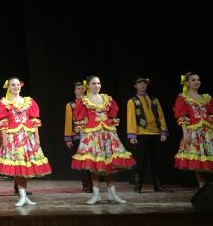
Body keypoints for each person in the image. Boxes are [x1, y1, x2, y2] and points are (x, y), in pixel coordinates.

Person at [72, 76, 135, 204]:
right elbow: (80, 120)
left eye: (99, 83)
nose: (97, 85)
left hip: (107, 134)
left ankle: (112, 194)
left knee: (110, 164)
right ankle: (96, 195)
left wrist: (109, 125)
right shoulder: (84, 101)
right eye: (94, 83)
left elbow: (113, 115)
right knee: (94, 166)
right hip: (92, 135)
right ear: (88, 86)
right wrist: (83, 139)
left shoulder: (107, 99)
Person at [0, 78, 51, 207]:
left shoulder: (28, 102)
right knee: (18, 167)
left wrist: (37, 138)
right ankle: (22, 195)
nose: (16, 87)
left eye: (17, 85)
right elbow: (3, 123)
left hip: (27, 137)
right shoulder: (4, 103)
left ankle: (25, 196)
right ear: (8, 87)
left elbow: (34, 121)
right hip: (13, 138)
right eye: (13, 85)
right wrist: (4, 140)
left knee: (25, 167)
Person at [126, 76, 169, 192]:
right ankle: (138, 185)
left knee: (157, 160)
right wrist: (132, 135)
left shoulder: (154, 100)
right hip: (141, 134)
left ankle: (158, 184)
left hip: (155, 133)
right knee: (141, 161)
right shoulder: (132, 101)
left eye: (144, 83)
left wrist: (163, 131)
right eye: (139, 83)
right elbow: (131, 118)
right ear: (135, 86)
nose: (142, 85)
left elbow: (161, 116)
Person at [173, 72, 213, 187]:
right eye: (193, 80)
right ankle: (202, 188)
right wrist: (185, 133)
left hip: (209, 133)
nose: (197, 82)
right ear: (187, 83)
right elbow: (181, 116)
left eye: (198, 80)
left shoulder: (206, 98)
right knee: (198, 162)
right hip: (194, 133)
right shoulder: (183, 98)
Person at [65, 80, 92, 193]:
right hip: (78, 135)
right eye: (78, 89)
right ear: (74, 91)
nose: (81, 90)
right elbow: (68, 122)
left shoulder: (90, 102)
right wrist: (68, 138)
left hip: (91, 134)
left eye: (82, 88)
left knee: (91, 159)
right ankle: (86, 184)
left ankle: (92, 184)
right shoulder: (71, 105)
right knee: (83, 160)